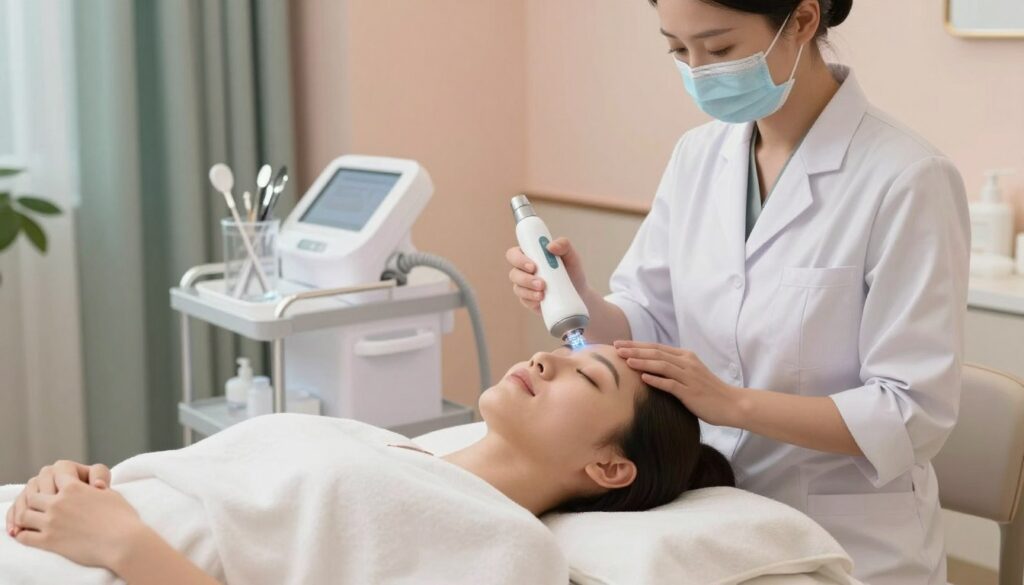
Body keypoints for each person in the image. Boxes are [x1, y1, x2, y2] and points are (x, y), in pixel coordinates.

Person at [506, 1, 969, 583]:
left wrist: (730, 403)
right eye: (678, 50)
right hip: (709, 519)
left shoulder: (907, 178)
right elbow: (647, 320)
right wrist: (583, 299)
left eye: (720, 49)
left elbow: (911, 413)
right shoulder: (699, 156)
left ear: (801, 20)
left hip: (845, 539)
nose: (699, 71)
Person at [4, 344, 733, 584]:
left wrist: (122, 543)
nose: (546, 355)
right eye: (567, 350)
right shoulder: (385, 444)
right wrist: (78, 483)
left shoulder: (512, 551)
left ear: (611, 468)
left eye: (588, 375)